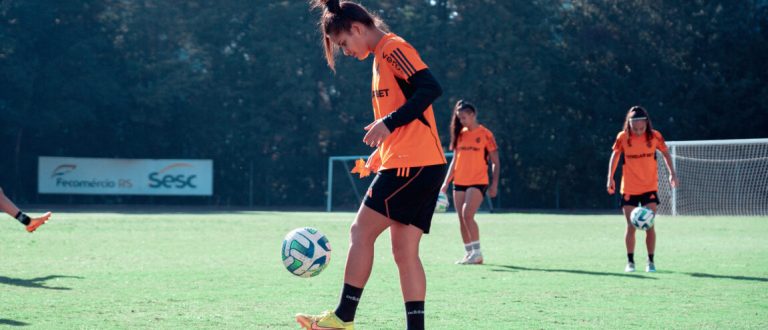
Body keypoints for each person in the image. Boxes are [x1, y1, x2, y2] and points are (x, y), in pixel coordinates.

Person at [297, 1, 446, 329]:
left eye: (343, 43)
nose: (344, 51)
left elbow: (430, 88)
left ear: (356, 28)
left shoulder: (392, 48)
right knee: (404, 253)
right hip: (412, 162)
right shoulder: (379, 59)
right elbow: (410, 113)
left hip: (414, 164)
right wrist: (380, 153)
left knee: (360, 231)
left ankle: (343, 317)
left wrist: (389, 123)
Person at [607, 106, 678, 273]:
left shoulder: (655, 136)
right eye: (635, 128)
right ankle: (630, 262)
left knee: (649, 226)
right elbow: (615, 155)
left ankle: (650, 261)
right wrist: (610, 177)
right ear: (629, 125)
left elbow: (666, 153)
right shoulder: (623, 137)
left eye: (642, 128)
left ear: (647, 124)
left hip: (649, 187)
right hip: (629, 188)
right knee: (630, 226)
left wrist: (672, 174)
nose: (639, 131)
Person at [439, 100, 500, 265]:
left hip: (478, 181)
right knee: (461, 218)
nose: (461, 121)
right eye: (459, 118)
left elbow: (495, 161)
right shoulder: (460, 134)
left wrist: (494, 184)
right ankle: (469, 253)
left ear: (473, 115)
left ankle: (478, 253)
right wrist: (446, 182)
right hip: (459, 181)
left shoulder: (486, 134)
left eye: (464, 117)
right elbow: (455, 161)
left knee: (467, 214)